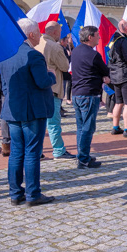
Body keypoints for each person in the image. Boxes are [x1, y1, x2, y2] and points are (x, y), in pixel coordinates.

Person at [0, 18, 57, 205]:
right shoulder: (33, 55)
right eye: (39, 31)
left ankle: (16, 194)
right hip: (32, 110)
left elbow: (5, 86)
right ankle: (33, 194)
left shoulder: (5, 54)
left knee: (17, 152)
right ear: (31, 34)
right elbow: (42, 82)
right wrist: (51, 75)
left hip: (13, 109)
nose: (40, 34)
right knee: (32, 152)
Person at [71, 25, 111, 168]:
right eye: (97, 35)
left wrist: (101, 76)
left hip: (77, 93)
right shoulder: (93, 54)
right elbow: (105, 69)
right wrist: (103, 76)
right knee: (87, 127)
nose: (99, 38)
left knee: (81, 127)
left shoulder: (75, 51)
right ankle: (83, 159)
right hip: (88, 94)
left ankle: (83, 155)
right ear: (90, 37)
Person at [36, 20, 75, 159]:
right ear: (54, 32)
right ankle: (58, 149)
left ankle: (37, 150)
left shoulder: (35, 43)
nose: (60, 35)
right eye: (59, 32)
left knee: (38, 123)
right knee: (53, 122)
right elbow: (65, 66)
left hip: (37, 88)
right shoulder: (55, 46)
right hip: (52, 87)